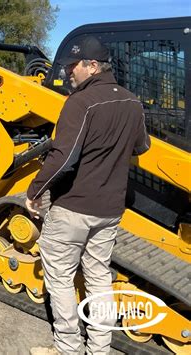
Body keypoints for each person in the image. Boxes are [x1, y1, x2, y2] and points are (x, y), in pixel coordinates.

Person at [26, 36, 150, 355]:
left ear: (92, 66)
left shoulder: (80, 103)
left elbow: (64, 158)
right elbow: (141, 147)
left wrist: (34, 190)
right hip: (109, 211)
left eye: (73, 66)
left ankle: (68, 348)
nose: (69, 72)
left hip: (74, 209)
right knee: (98, 280)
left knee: (61, 279)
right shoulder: (132, 102)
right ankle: (100, 349)